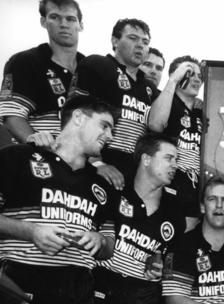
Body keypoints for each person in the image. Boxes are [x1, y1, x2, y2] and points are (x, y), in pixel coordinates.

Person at [0, 95, 118, 304]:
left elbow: (109, 248)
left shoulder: (103, 185)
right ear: (78, 117)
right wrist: (30, 232)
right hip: (20, 280)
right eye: (104, 126)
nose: (109, 136)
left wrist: (99, 240)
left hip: (76, 290)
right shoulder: (17, 157)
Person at [79, 133, 185, 304]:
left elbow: (169, 261)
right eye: (168, 158)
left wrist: (160, 269)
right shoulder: (115, 190)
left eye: (176, 160)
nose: (174, 165)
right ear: (146, 159)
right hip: (105, 284)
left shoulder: (175, 213)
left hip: (144, 296)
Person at [69, 18, 156, 190]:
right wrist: (95, 163)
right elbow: (73, 115)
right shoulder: (97, 64)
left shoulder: (149, 88)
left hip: (134, 175)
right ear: (115, 41)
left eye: (145, 42)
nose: (140, 45)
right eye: (133, 38)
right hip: (98, 168)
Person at [0, 0, 84, 143]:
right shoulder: (25, 61)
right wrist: (42, 147)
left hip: (82, 160)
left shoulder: (90, 67)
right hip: (40, 159)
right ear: (43, 22)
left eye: (70, 19)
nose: (63, 24)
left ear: (80, 25)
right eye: (55, 17)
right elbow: (12, 117)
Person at [147, 55, 203, 231]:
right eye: (189, 73)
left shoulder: (201, 112)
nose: (196, 79)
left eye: (199, 76)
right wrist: (172, 80)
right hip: (168, 187)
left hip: (194, 190)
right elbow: (155, 124)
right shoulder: (166, 103)